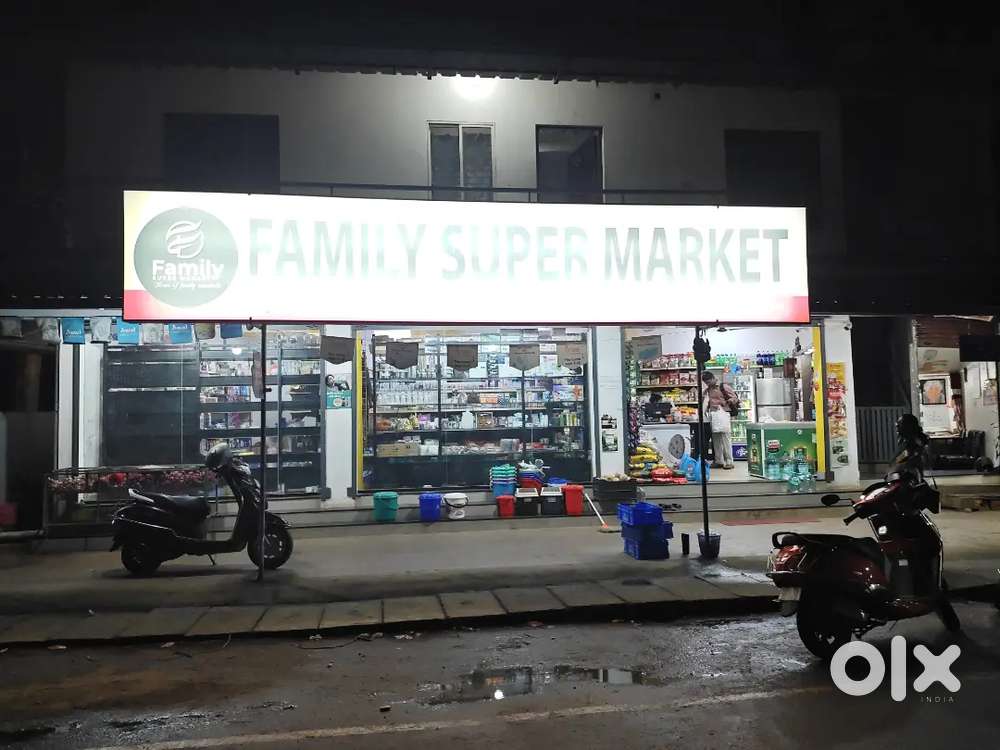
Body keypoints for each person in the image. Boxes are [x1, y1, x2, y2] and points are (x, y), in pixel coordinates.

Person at [702, 371, 738, 469]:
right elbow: (707, 401)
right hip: (713, 415)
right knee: (716, 438)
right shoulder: (708, 389)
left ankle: (729, 461)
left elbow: (734, 397)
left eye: (708, 382)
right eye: (706, 383)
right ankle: (719, 461)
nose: (708, 384)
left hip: (723, 413)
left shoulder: (723, 386)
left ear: (713, 378)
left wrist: (727, 402)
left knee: (725, 437)